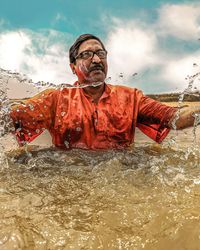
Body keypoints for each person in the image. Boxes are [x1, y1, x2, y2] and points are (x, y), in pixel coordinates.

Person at [10, 34, 199, 150]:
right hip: (68, 177)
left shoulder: (131, 98)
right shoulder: (55, 99)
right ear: (72, 67)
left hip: (118, 178)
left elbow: (175, 118)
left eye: (101, 54)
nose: (96, 60)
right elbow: (11, 118)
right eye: (86, 55)